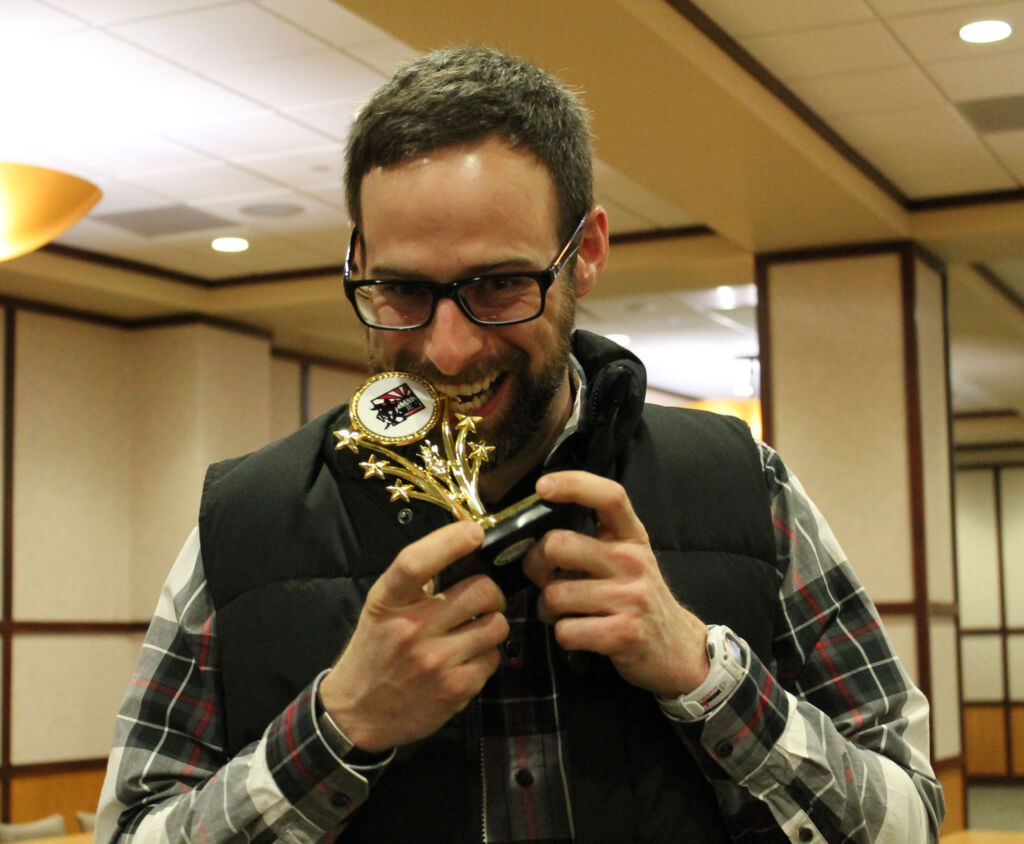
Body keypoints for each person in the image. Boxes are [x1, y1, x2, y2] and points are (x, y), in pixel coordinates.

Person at [97, 47, 945, 842]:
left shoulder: (746, 486)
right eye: (401, 290)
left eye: (501, 284)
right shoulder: (247, 519)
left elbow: (909, 819)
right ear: (356, 259)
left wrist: (703, 672)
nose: (448, 350)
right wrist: (339, 727)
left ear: (587, 254)